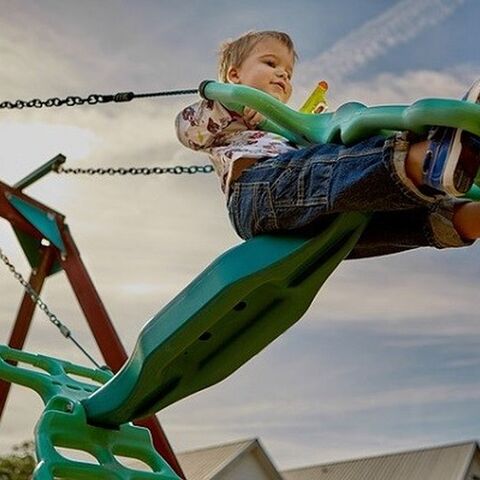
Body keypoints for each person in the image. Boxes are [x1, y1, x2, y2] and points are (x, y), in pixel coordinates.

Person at [175, 30, 480, 258]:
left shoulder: (287, 123)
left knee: (379, 220)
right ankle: (427, 156)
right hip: (256, 194)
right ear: (233, 75)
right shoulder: (223, 111)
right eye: (270, 63)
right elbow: (188, 130)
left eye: (289, 73)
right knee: (337, 167)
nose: (282, 73)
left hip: (310, 212)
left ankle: (469, 216)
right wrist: (229, 104)